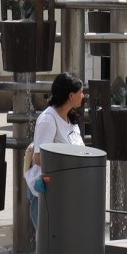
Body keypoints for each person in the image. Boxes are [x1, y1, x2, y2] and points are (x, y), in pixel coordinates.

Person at [26, 72, 86, 230]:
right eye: (81, 92)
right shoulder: (48, 120)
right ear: (71, 95)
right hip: (47, 194)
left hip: (65, 190)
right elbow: (39, 157)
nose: (83, 95)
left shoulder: (70, 118)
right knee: (49, 242)